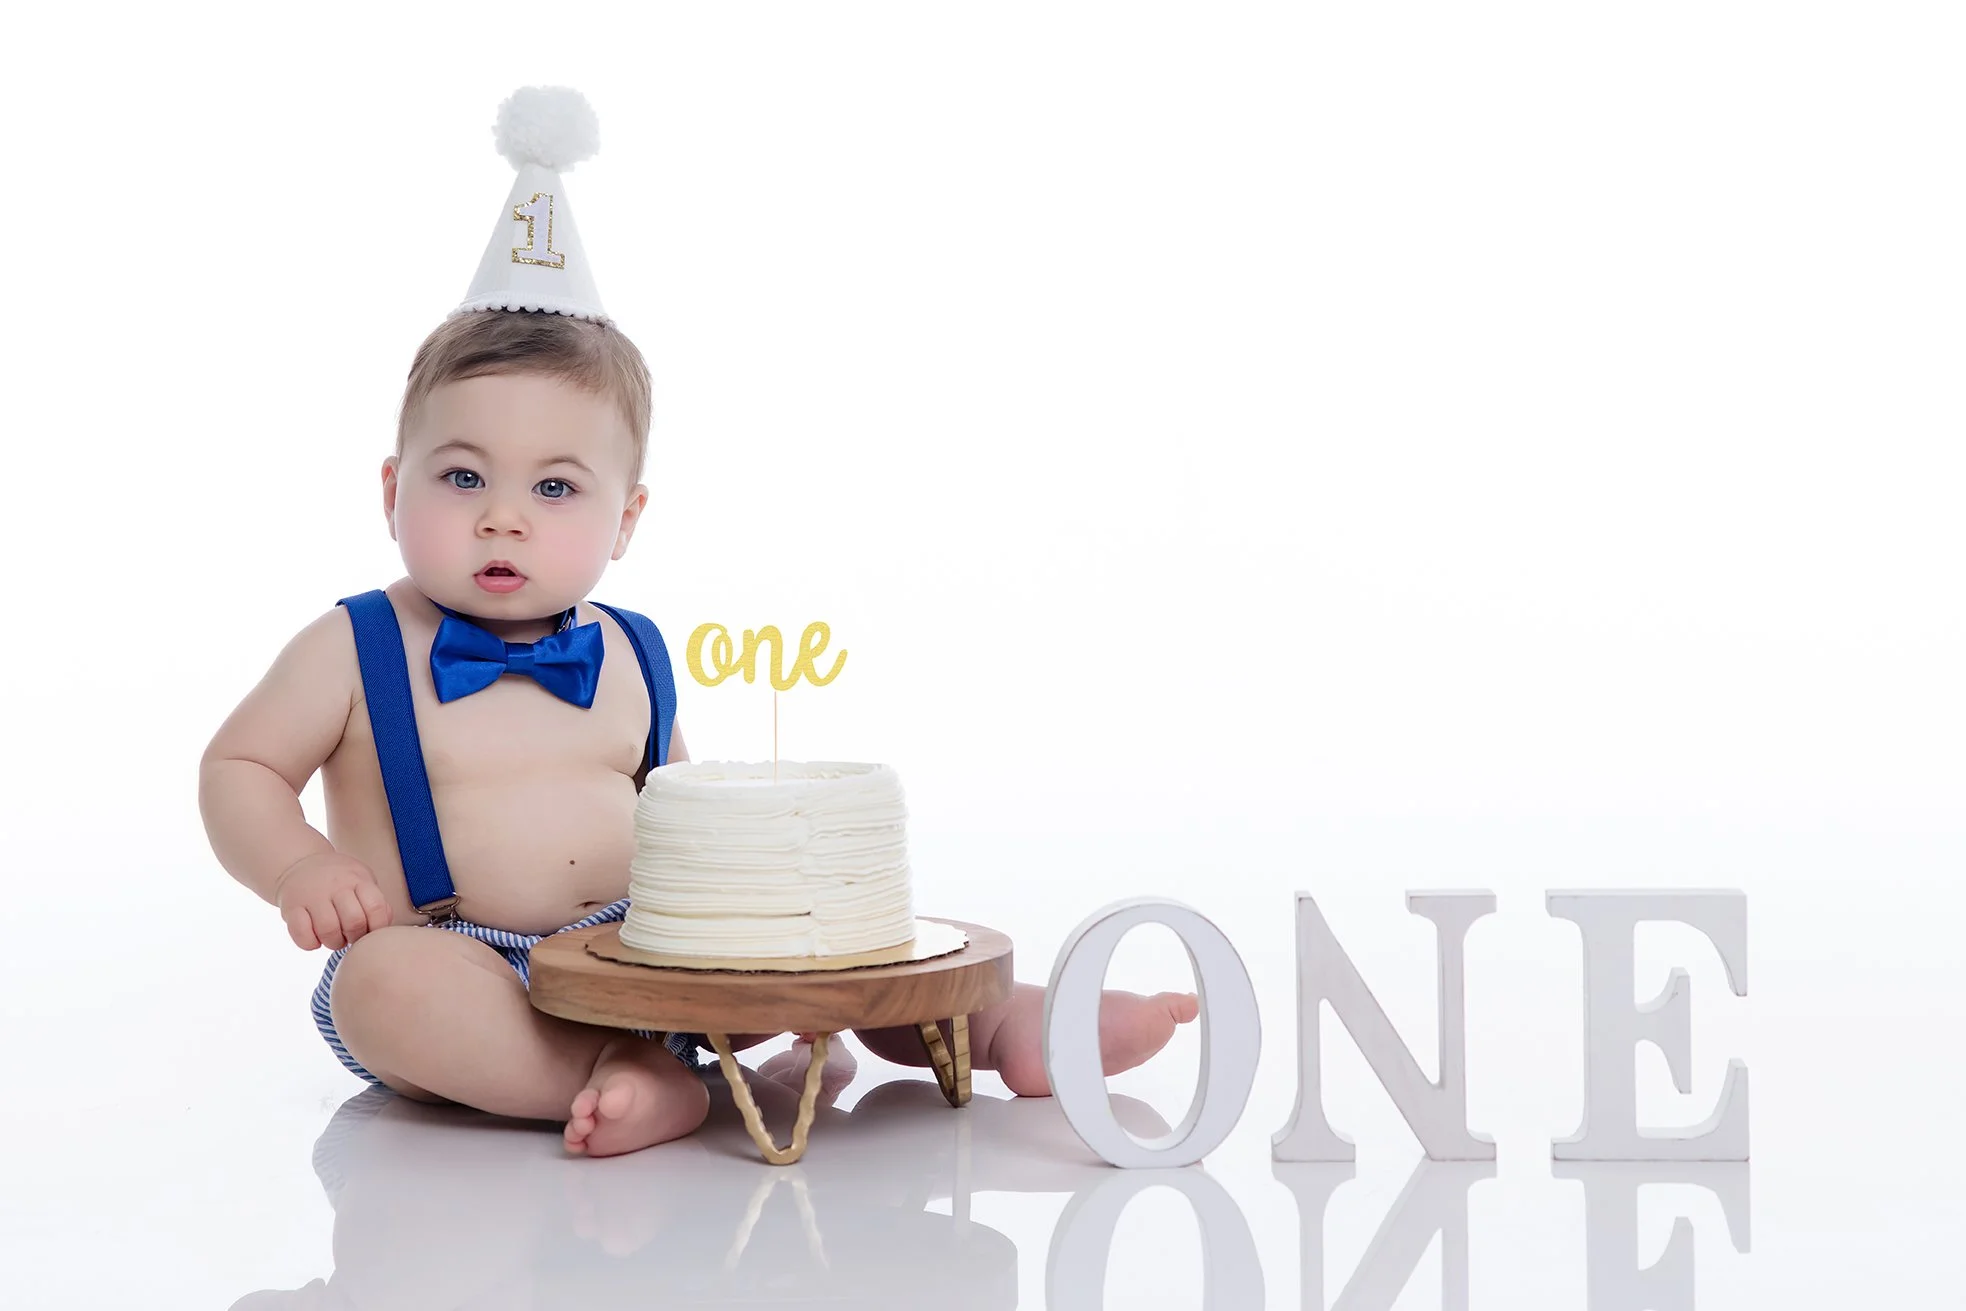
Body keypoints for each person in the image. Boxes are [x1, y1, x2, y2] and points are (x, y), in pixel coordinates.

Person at [198, 87, 1197, 1158]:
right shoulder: (351, 646)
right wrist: (300, 866)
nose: (501, 514)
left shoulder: (630, 651)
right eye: (461, 475)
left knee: (805, 926)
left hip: (644, 951)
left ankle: (997, 1022)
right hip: (462, 961)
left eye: (555, 489)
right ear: (391, 488)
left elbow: (675, 819)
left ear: (626, 521)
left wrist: (752, 903)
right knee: (384, 987)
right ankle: (615, 1079)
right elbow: (239, 767)